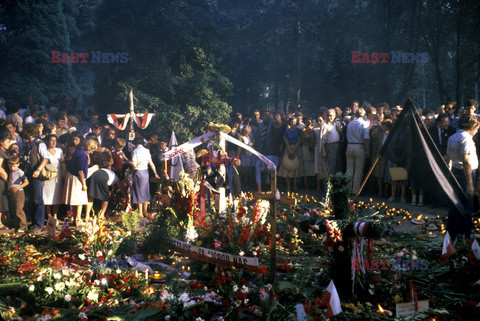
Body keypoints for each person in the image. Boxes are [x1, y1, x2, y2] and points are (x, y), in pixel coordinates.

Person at [445, 114, 480, 240]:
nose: (476, 132)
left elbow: (448, 158)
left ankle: (451, 235)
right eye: (476, 129)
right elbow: (466, 161)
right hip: (465, 174)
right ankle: (464, 238)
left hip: (455, 172)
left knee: (455, 206)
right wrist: (470, 183)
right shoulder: (466, 139)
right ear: (471, 127)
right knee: (466, 208)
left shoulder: (452, 137)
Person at [63, 139, 98, 226]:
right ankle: (77, 219)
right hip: (77, 178)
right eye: (92, 150)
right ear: (89, 148)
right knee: (79, 200)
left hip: (72, 175)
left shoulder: (79, 150)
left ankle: (75, 219)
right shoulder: (82, 155)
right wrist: (84, 184)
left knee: (76, 200)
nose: (92, 152)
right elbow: (80, 172)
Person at [23, 123, 49, 234]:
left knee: (38, 199)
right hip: (28, 174)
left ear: (29, 132)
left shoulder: (40, 144)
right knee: (31, 199)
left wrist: (38, 170)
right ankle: (34, 223)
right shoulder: (28, 144)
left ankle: (39, 225)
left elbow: (45, 158)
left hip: (36, 175)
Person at [345, 107, 376, 195]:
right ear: (364, 115)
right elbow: (366, 138)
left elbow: (347, 135)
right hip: (359, 146)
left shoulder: (350, 123)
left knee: (349, 169)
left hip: (350, 145)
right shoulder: (364, 124)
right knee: (358, 170)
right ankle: (355, 190)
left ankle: (348, 189)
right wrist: (368, 150)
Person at [127, 137, 160, 217]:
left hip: (138, 172)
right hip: (146, 172)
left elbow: (134, 165)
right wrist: (155, 174)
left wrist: (127, 161)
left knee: (138, 192)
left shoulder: (135, 151)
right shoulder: (147, 151)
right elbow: (151, 163)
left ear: (135, 143)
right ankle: (145, 212)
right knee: (145, 192)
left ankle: (140, 213)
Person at [86, 151, 124, 220]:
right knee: (105, 198)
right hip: (103, 177)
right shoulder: (114, 175)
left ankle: (87, 215)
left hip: (94, 175)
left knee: (91, 196)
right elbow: (120, 186)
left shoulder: (104, 169)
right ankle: (101, 215)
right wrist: (125, 196)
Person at [278, 117, 303, 193]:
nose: (293, 123)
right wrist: (289, 149)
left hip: (296, 148)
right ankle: (288, 186)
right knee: (287, 167)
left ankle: (294, 185)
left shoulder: (298, 130)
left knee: (295, 167)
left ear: (296, 122)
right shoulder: (287, 131)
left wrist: (294, 149)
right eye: (292, 121)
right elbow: (285, 140)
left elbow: (299, 140)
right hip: (288, 148)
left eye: (294, 121)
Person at [43, 135, 64, 220]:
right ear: (48, 141)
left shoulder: (59, 151)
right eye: (51, 140)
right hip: (48, 175)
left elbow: (63, 162)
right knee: (47, 196)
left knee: (56, 195)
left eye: (55, 141)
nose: (54, 142)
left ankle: (55, 215)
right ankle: (49, 215)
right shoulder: (45, 151)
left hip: (58, 176)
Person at [7, 156, 29, 233]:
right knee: (13, 209)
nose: (12, 168)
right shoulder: (11, 171)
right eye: (10, 166)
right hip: (12, 192)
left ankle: (23, 225)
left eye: (14, 166)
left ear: (18, 164)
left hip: (19, 192)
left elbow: (26, 182)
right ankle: (16, 225)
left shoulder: (20, 172)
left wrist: (17, 187)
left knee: (18, 209)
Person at [0, 132, 11, 230]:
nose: (9, 143)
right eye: (7, 142)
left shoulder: (5, 151)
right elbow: (0, 169)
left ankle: (3, 221)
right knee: (1, 201)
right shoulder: (0, 152)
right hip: (1, 180)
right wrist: (8, 180)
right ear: (1, 142)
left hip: (4, 180)